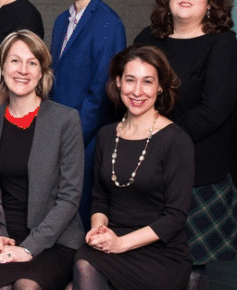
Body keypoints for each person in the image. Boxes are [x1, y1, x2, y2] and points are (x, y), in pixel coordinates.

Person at [134, 0, 237, 289]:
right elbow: (129, 91)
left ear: (210, 0)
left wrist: (156, 140)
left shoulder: (223, 44)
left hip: (201, 174)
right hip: (149, 170)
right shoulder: (148, 38)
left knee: (190, 265)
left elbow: (212, 112)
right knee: (150, 260)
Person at [72, 45, 194, 290]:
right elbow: (99, 199)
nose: (137, 91)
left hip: (160, 253)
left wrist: (121, 244)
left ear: (160, 86)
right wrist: (99, 230)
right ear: (118, 82)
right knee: (83, 265)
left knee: (83, 273)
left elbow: (175, 217)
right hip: (111, 240)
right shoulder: (107, 135)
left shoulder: (175, 139)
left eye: (147, 82)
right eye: (130, 80)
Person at [0, 30, 85, 290]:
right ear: (2, 68)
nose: (23, 70)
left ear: (42, 72)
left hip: (54, 239)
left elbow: (70, 197)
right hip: (5, 235)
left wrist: (28, 248)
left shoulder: (66, 119)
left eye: (32, 63)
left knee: (27, 287)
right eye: (15, 61)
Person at [50, 0, 125, 229]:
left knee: (80, 218)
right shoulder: (60, 22)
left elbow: (101, 92)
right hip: (60, 133)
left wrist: (70, 140)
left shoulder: (108, 23)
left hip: (86, 140)